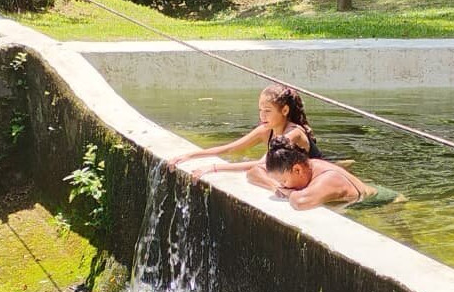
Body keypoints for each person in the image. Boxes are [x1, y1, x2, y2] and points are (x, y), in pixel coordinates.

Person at [167, 85, 322, 180]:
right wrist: (190, 155)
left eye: (267, 111)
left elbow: (263, 164)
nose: (262, 116)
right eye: (260, 110)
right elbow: (230, 148)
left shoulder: (293, 134)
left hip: (319, 174)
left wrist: (214, 168)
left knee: (256, 172)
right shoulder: (266, 130)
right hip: (295, 174)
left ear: (285, 110)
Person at [262, 135, 403, 211]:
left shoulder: (327, 179)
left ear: (297, 170)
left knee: (407, 239)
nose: (283, 186)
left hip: (389, 201)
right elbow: (253, 172)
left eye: (284, 182)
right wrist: (277, 187)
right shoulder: (308, 167)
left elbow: (300, 202)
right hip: (363, 196)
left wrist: (286, 193)